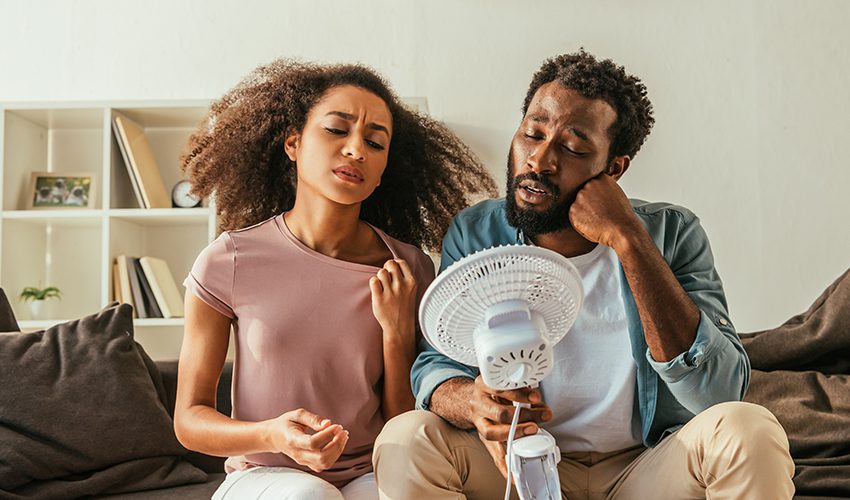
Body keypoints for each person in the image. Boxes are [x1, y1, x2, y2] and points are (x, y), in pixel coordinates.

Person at [373, 51, 795, 499]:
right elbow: (437, 363)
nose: (538, 160)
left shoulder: (673, 233)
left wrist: (630, 240)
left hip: (644, 467)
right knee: (406, 438)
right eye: (532, 133)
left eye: (573, 148)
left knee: (748, 428)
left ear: (613, 169)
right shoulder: (477, 231)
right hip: (521, 464)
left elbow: (720, 392)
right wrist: (471, 402)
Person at [173, 59, 497, 500]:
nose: (356, 150)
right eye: (336, 130)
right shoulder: (229, 259)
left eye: (375, 142)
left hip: (372, 470)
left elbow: (405, 423)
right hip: (263, 474)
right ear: (293, 143)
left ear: (384, 168)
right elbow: (189, 420)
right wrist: (273, 435)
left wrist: (397, 332)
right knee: (312, 497)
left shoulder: (410, 269)